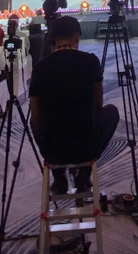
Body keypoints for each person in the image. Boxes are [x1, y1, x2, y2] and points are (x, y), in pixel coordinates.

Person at [29, 15, 119, 194]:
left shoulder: (40, 68)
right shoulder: (90, 61)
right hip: (86, 147)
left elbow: (35, 116)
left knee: (37, 124)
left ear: (52, 39)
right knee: (111, 112)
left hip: (52, 150)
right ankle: (84, 175)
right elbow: (98, 104)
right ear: (77, 36)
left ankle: (59, 177)